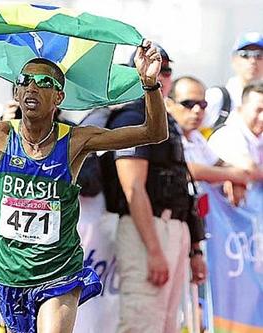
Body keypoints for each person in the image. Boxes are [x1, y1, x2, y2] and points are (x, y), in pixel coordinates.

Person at [0, 21, 168, 333]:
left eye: (43, 82)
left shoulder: (76, 141)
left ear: (58, 97)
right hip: (9, 277)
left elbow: (153, 133)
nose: (32, 87)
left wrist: (150, 86)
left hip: (59, 274)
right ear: (17, 92)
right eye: (25, 80)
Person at [100, 47, 207, 333]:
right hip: (146, 231)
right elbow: (133, 188)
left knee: (167, 325)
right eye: (153, 67)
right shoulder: (132, 116)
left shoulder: (166, 118)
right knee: (142, 324)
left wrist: (195, 248)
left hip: (173, 228)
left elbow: (184, 185)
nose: (161, 75)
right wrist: (154, 250)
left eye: (166, 69)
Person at [167, 76, 251, 205]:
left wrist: (236, 181)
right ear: (168, 104)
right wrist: (231, 175)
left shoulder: (196, 136)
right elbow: (186, 170)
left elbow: (219, 164)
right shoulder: (164, 134)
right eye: (188, 104)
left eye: (202, 104)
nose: (197, 110)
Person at [202, 32, 263, 133]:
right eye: (245, 55)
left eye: (259, 55)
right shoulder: (217, 97)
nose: (253, 61)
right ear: (234, 60)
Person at [207, 80, 263, 180]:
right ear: (241, 109)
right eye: (258, 110)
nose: (262, 117)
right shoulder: (228, 135)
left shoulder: (258, 136)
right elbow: (249, 169)